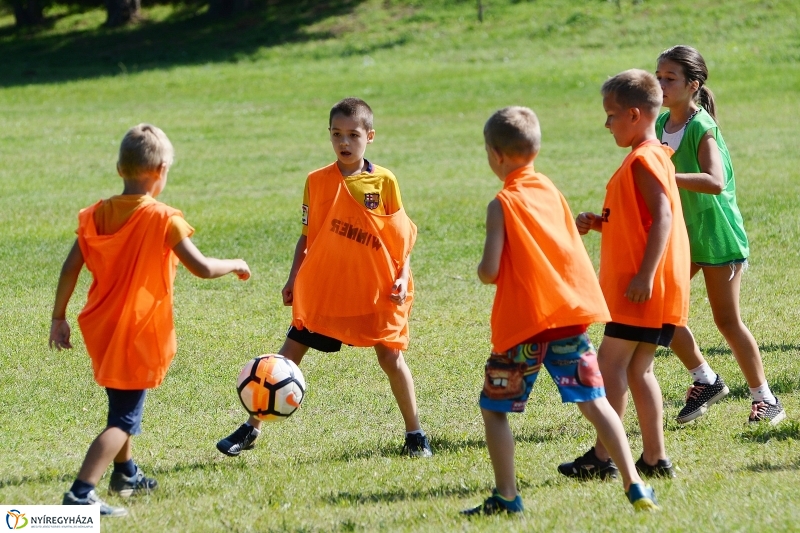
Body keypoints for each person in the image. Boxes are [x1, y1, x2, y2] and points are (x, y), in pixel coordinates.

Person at [462, 106, 658, 516]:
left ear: (495, 155)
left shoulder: (502, 203)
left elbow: (489, 270)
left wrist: (485, 269)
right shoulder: (550, 189)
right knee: (596, 401)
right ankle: (634, 484)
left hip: (525, 326)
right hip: (568, 321)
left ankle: (507, 496)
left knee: (494, 409)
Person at [49, 124, 251, 516]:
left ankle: (124, 473)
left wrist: (59, 317)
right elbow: (204, 267)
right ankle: (80, 494)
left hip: (102, 328)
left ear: (120, 168)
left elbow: (70, 267)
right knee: (124, 419)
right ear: (160, 171)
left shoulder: (95, 215)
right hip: (137, 332)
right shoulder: (163, 219)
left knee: (120, 403)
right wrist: (236, 264)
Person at [216, 97, 432, 458]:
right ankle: (251, 427)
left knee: (391, 359)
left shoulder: (383, 182)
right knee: (285, 358)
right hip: (327, 288)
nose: (344, 143)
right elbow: (306, 236)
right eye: (336, 135)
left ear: (370, 136)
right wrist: (292, 278)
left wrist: (402, 277)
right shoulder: (316, 181)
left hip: (375, 289)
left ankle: (415, 434)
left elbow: (402, 237)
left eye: (352, 135)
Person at [559, 70, 690, 482]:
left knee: (609, 364)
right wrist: (602, 223)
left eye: (611, 115)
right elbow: (642, 219)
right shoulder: (652, 155)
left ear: (634, 114)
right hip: (653, 286)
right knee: (639, 370)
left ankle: (605, 455)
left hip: (641, 287)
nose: (607, 123)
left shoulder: (644, 159)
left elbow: (663, 217)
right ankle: (655, 458)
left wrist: (644, 275)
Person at [655, 45, 785, 425]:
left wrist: (667, 176)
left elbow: (715, 181)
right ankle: (705, 379)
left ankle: (766, 398)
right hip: (684, 234)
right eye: (658, 76)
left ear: (693, 84)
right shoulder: (663, 123)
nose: (660, 83)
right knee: (662, 308)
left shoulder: (701, 127)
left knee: (726, 321)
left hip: (716, 235)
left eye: (669, 78)